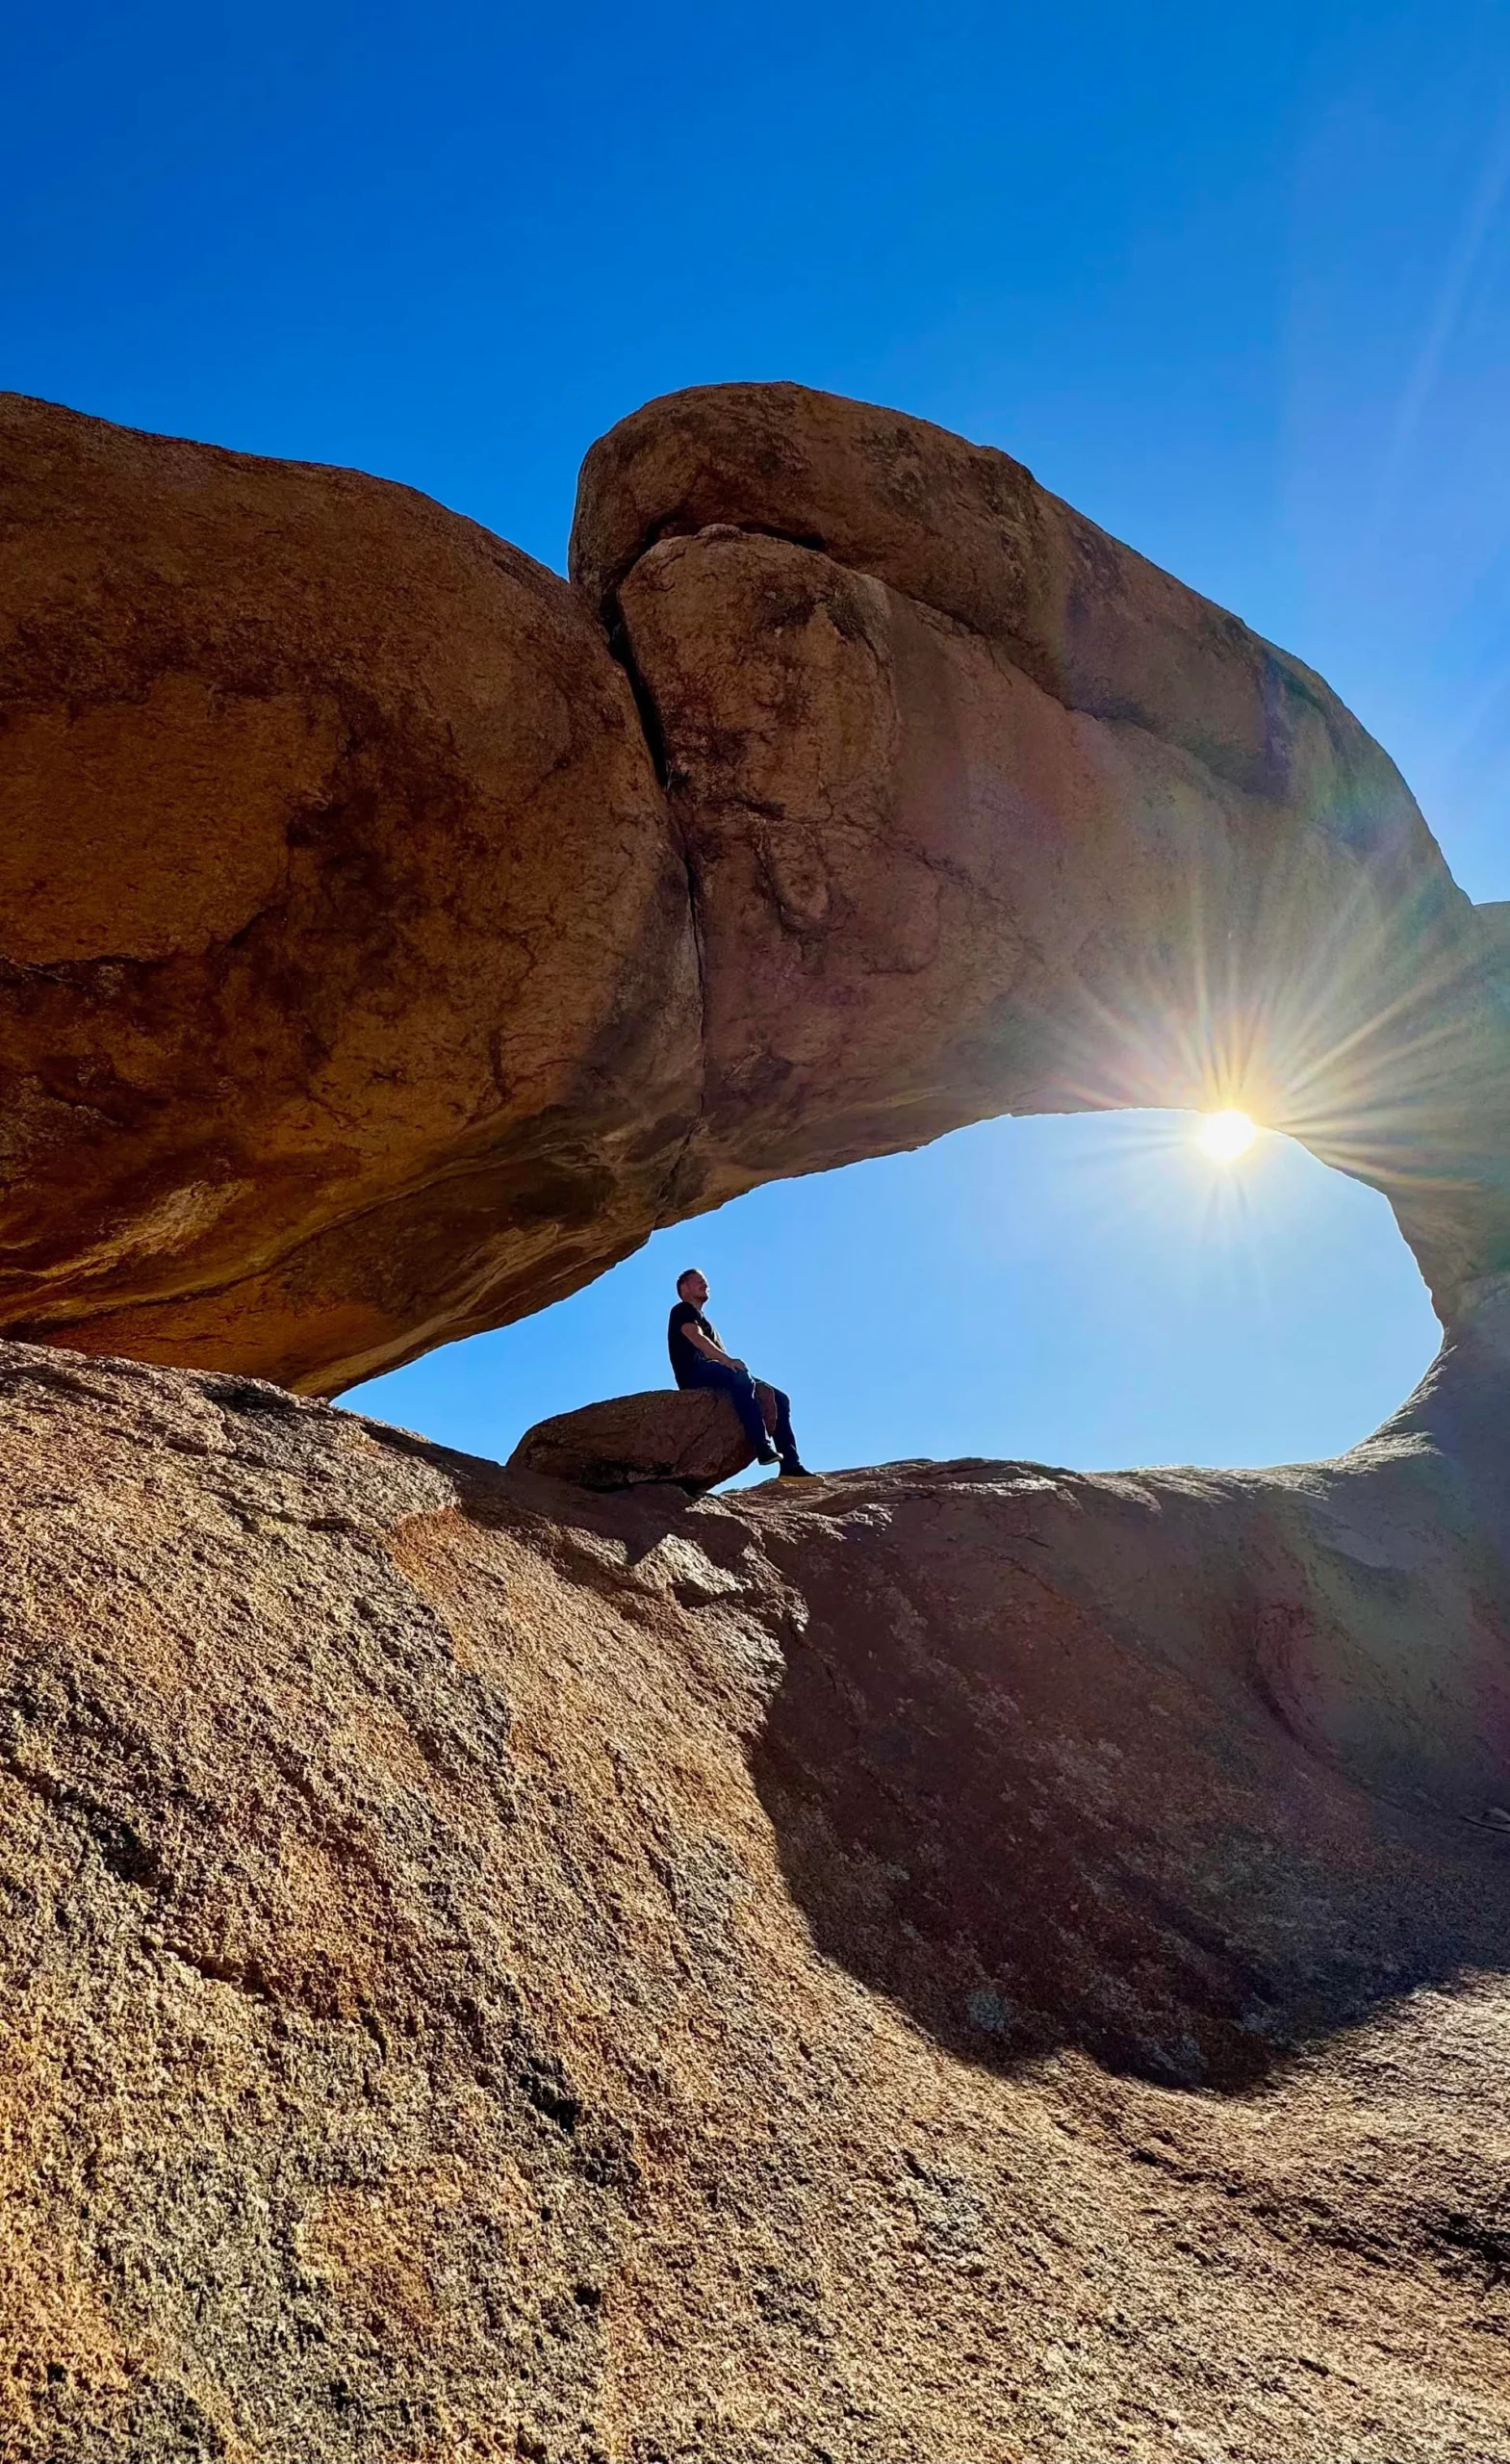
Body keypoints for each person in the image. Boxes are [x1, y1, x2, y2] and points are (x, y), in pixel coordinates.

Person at [666, 1269, 813, 1477]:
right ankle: (761, 1445)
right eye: (698, 1280)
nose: (705, 1284)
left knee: (779, 1398)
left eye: (705, 1281)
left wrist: (727, 1363)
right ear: (684, 1288)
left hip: (714, 1371)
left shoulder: (707, 1322)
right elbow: (694, 1336)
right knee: (739, 1375)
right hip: (694, 1372)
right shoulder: (682, 1310)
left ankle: (791, 1465)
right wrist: (727, 1360)